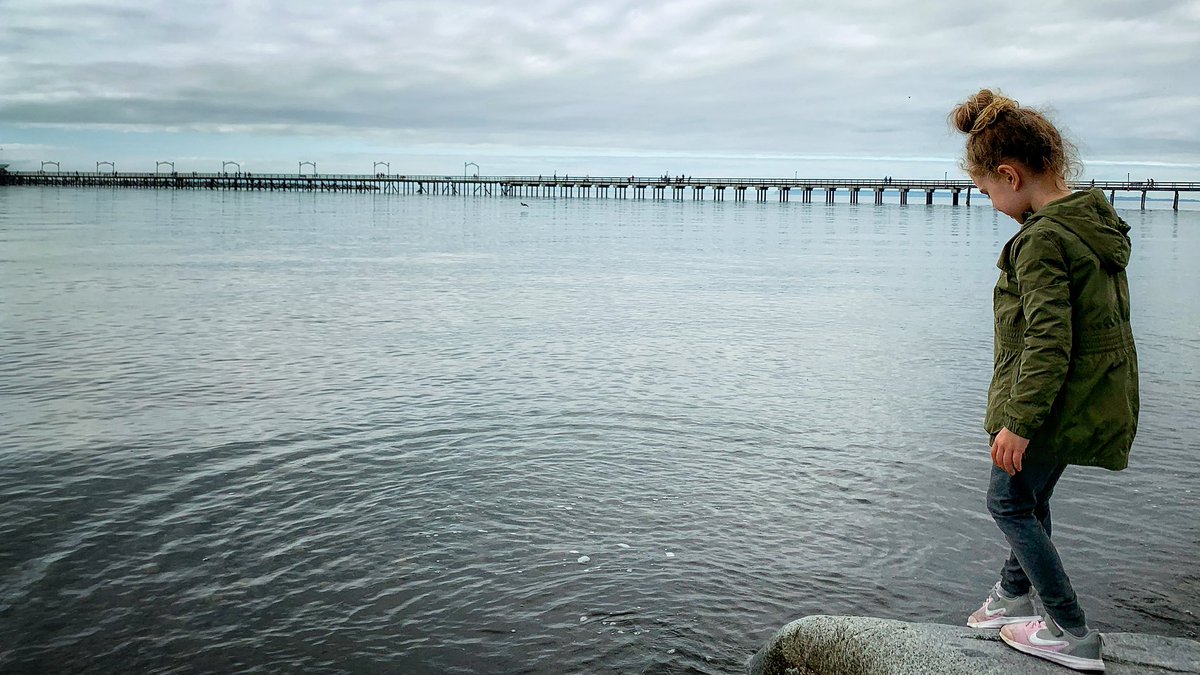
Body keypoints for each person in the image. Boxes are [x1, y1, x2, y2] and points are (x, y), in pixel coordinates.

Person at [951, 89, 1139, 672]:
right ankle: (1012, 597)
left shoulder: (1040, 242)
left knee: (1007, 503)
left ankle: (1068, 629)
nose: (991, 204)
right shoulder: (1091, 223)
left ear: (1009, 174)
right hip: (1083, 398)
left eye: (987, 192)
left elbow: (1047, 345)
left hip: (1047, 403)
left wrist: (1018, 423)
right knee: (1027, 499)